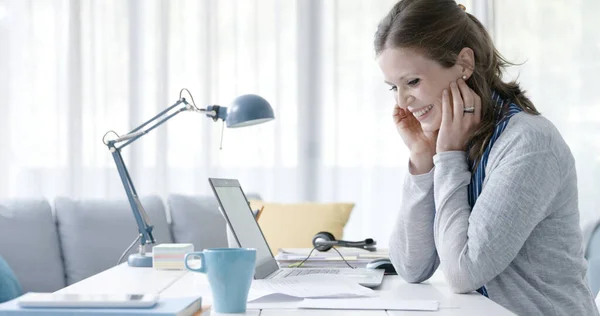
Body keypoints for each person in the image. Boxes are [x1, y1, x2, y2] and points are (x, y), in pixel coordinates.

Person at [374, 0, 599, 315]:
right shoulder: (453, 136)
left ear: (464, 63)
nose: (403, 101)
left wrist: (449, 158)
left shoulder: (529, 143)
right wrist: (422, 159)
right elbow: (412, 266)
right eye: (393, 88)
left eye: (412, 82)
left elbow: (463, 272)